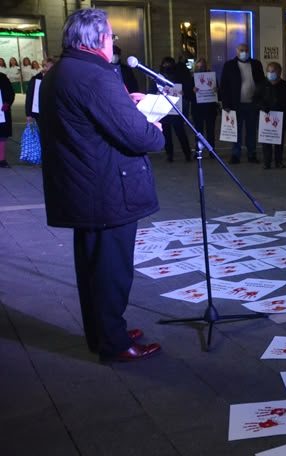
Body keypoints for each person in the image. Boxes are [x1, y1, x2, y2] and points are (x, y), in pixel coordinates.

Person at [40, 8, 165, 361]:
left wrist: (125, 103)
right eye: (112, 36)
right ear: (98, 40)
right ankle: (114, 343)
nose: (114, 42)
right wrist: (152, 129)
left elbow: (87, 120)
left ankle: (102, 331)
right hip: (108, 190)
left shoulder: (62, 71)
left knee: (92, 267)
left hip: (82, 187)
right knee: (112, 270)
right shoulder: (96, 76)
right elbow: (140, 138)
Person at [220, 43, 265, 164]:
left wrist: (261, 101)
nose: (244, 52)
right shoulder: (229, 66)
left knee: (251, 131)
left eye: (246, 50)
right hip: (236, 104)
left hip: (252, 104)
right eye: (241, 50)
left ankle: (252, 154)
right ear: (237, 51)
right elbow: (224, 86)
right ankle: (236, 154)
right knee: (236, 131)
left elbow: (262, 83)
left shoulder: (256, 64)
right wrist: (226, 104)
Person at [152, 57, 194, 162]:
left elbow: (185, 88)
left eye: (168, 65)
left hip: (176, 109)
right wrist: (156, 94)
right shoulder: (158, 78)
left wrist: (183, 93)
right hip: (164, 110)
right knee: (166, 134)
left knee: (180, 132)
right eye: (165, 65)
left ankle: (187, 153)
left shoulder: (178, 77)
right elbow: (152, 91)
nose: (166, 67)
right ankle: (169, 154)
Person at [255, 62, 286, 169]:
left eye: (273, 71)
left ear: (279, 72)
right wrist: (263, 107)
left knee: (279, 142)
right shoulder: (262, 84)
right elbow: (256, 99)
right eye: (269, 71)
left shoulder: (284, 85)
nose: (271, 73)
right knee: (266, 141)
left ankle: (278, 161)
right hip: (266, 117)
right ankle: (267, 162)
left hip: (280, 116)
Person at [191, 58, 218, 151]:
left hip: (210, 108)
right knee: (198, 132)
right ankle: (198, 150)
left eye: (202, 66)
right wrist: (192, 91)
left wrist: (216, 90)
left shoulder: (212, 77)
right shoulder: (192, 78)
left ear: (206, 66)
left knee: (210, 131)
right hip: (197, 109)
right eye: (198, 66)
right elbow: (187, 95)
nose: (200, 68)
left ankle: (212, 150)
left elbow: (219, 91)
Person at [25, 58, 54, 124]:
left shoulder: (57, 78)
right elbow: (29, 96)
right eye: (46, 66)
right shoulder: (35, 79)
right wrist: (28, 113)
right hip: (40, 111)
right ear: (44, 67)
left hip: (54, 111)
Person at [0, 69, 12, 168]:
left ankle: (2, 160)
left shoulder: (2, 78)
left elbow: (10, 92)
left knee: (2, 136)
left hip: (2, 113)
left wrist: (7, 103)